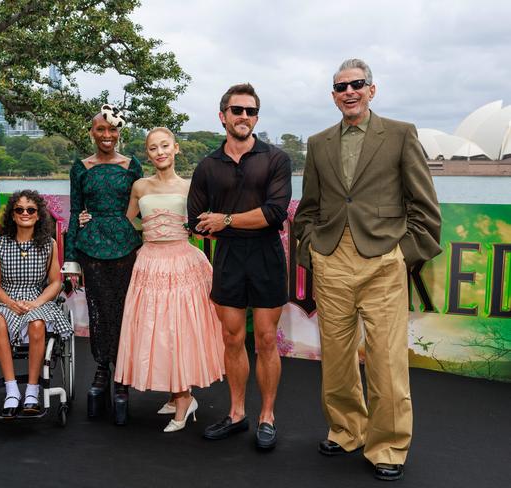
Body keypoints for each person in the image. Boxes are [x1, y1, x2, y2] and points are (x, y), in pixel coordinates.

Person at [293, 59, 441, 481]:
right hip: (331, 261)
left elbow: (425, 207)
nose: (349, 92)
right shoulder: (318, 142)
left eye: (357, 84)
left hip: (382, 264)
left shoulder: (399, 134)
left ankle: (389, 446)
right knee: (336, 358)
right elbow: (309, 208)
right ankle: (346, 430)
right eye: (341, 87)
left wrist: (401, 255)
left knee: (386, 360)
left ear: (372, 90)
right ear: (333, 95)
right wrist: (312, 250)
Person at [187, 83, 292, 450]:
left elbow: (275, 212)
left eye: (250, 111)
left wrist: (226, 220)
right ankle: (236, 414)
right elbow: (196, 221)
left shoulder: (277, 159)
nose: (243, 116)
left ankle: (267, 417)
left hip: (267, 257)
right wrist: (216, 224)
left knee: (265, 340)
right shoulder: (206, 166)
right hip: (229, 259)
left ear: (256, 118)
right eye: (237, 110)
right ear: (223, 117)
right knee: (232, 339)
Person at [112, 127, 225, 432]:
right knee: (157, 329)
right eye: (152, 148)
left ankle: (185, 397)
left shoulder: (191, 186)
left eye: (165, 146)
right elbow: (127, 219)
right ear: (147, 153)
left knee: (180, 329)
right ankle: (176, 396)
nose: (159, 152)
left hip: (182, 263)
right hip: (149, 262)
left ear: (176, 148)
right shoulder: (140, 186)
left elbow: (205, 221)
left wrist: (182, 228)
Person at [63, 105, 142, 424]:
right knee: (98, 310)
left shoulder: (132, 165)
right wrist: (70, 258)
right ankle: (101, 370)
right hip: (91, 247)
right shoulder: (80, 167)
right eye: (100, 130)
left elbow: (142, 206)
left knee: (123, 311)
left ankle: (121, 375)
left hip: (124, 245)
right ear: (92, 133)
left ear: (119, 132)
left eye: (112, 130)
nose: (107, 136)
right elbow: (74, 211)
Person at [0, 190, 73, 417]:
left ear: (38, 215)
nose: (25, 213)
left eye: (30, 210)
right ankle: (12, 389)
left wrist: (36, 302)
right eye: (19, 210)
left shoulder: (49, 244)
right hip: (6, 299)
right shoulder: (0, 245)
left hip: (39, 299)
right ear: (13, 216)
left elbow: (56, 282)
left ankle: (32, 391)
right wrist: (10, 303)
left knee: (37, 323)